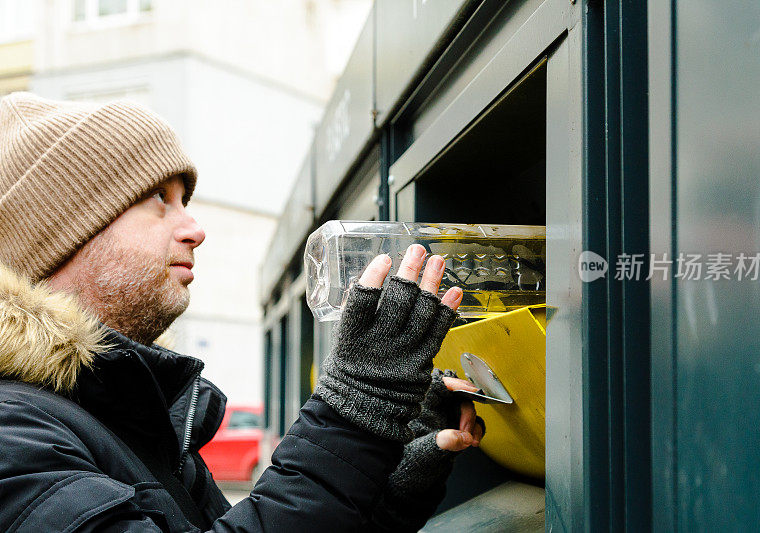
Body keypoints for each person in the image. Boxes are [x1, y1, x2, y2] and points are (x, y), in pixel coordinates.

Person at [0, 92, 484, 532]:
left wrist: (385, 485)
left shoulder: (126, 419)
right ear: (61, 238)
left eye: (183, 200)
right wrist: (354, 410)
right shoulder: (12, 437)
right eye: (157, 199)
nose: (195, 229)